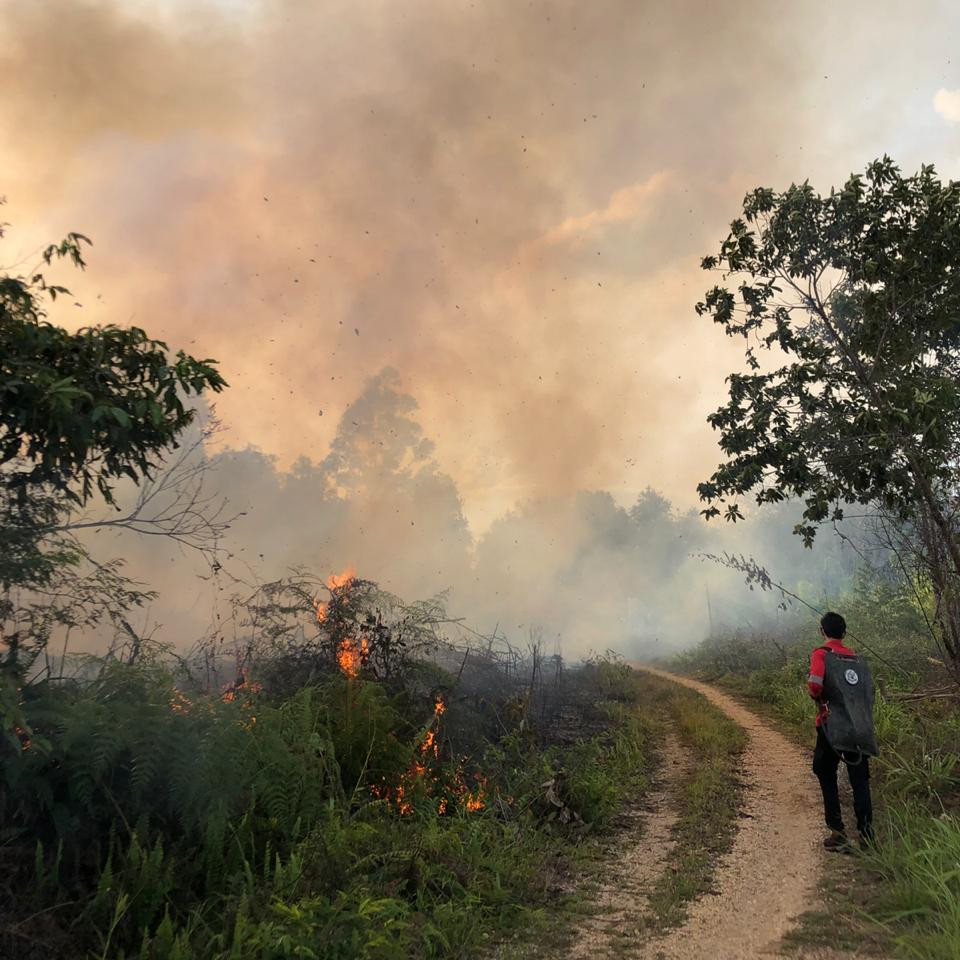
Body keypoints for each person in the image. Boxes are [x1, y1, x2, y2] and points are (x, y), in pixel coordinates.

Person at [808, 611, 874, 850]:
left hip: (831, 726)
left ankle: (838, 832)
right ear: (844, 633)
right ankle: (867, 838)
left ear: (822, 631)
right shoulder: (856, 659)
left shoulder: (821, 654)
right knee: (860, 780)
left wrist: (817, 694)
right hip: (860, 726)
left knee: (824, 770)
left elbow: (815, 685)